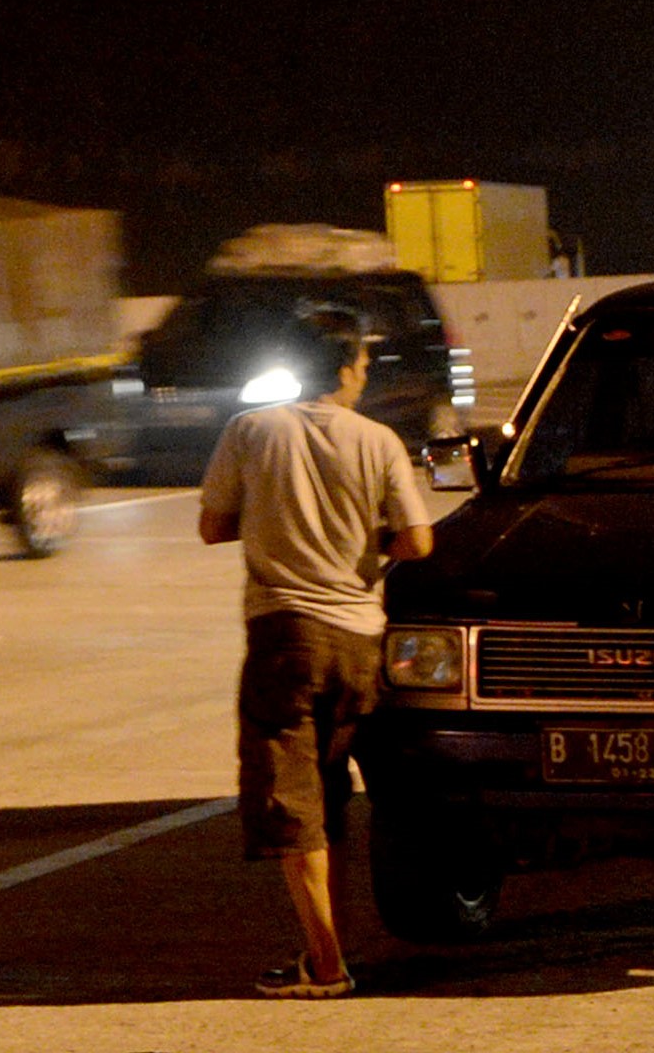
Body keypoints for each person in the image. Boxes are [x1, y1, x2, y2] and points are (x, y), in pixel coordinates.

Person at [199, 309, 435, 998]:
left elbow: (212, 526)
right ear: (340, 366)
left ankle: (327, 962)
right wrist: (360, 547)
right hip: (361, 640)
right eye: (362, 362)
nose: (365, 373)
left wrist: (275, 522)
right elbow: (418, 541)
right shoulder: (379, 440)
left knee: (293, 803)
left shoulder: (250, 431)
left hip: (284, 638)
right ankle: (335, 945)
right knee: (334, 795)